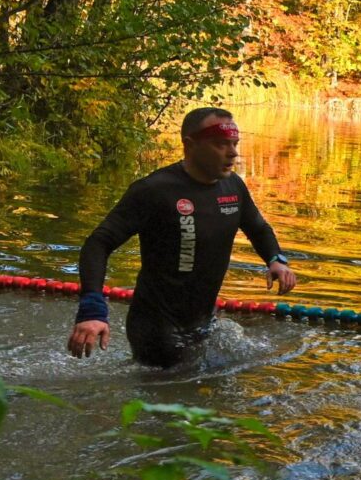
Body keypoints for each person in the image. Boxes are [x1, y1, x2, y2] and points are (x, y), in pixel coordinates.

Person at [65, 107, 298, 367]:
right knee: (172, 399)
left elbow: (258, 227)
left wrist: (276, 259)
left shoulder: (233, 187)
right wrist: (92, 310)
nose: (233, 152)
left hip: (204, 320)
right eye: (221, 144)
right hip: (156, 327)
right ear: (190, 144)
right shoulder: (155, 190)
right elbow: (98, 243)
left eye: (234, 143)